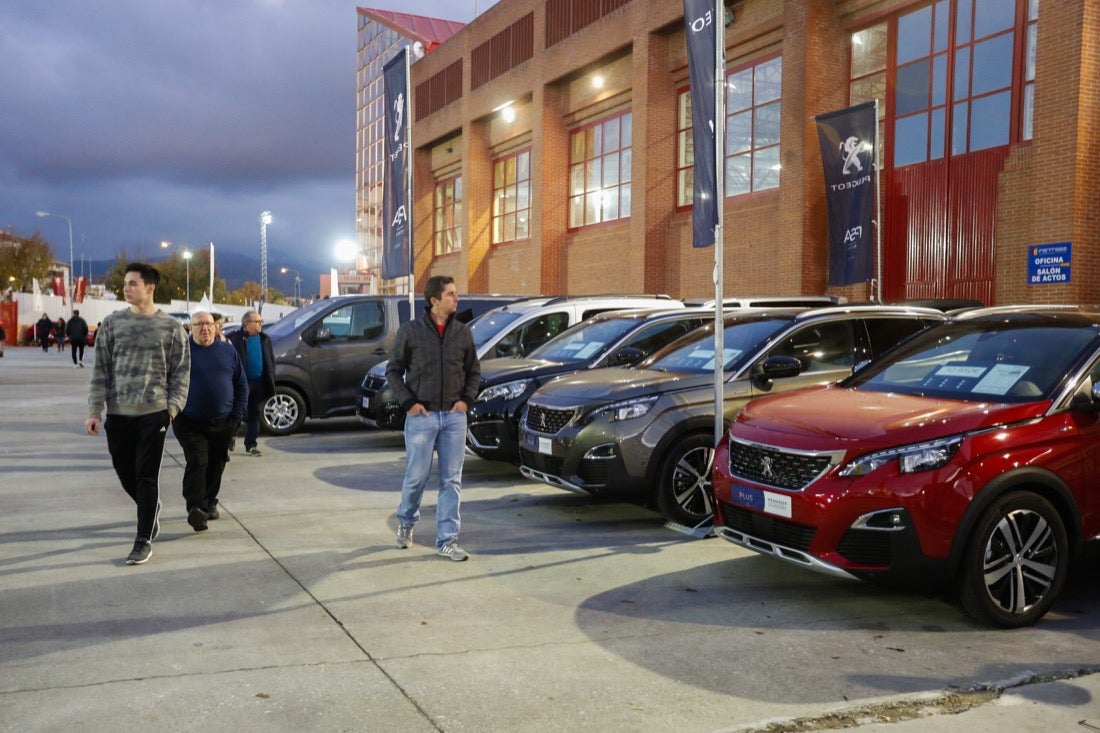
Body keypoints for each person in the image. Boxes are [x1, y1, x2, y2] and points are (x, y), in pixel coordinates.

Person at [86, 262, 190, 566]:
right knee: (124, 471)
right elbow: (100, 370)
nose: (126, 288)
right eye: (125, 283)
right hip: (118, 413)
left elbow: (182, 373)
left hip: (153, 413)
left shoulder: (171, 328)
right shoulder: (112, 324)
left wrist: (171, 409)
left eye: (132, 283)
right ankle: (151, 508)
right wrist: (95, 410)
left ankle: (143, 538)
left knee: (147, 475)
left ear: (150, 288)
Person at [386, 275, 480, 561]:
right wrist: (409, 403)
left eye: (455, 293)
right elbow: (393, 371)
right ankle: (406, 521)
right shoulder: (410, 332)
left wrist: (465, 401)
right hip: (422, 417)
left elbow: (474, 371)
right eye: (451, 294)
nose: (457, 298)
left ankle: (447, 540)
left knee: (451, 480)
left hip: (453, 418)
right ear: (434, 300)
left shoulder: (463, 333)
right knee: (416, 477)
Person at [173, 309, 247, 532]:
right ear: (190, 328)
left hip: (223, 421)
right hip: (189, 421)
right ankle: (196, 507)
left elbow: (241, 384)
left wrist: (237, 417)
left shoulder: (227, 351)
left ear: (216, 327)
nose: (204, 328)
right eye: (198, 324)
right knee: (198, 460)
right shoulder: (181, 353)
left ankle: (210, 501)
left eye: (208, 324)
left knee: (217, 463)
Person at [228, 310, 275, 456]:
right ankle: (230, 437)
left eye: (261, 321)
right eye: (257, 322)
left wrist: (271, 377)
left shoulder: (265, 339)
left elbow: (270, 360)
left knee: (256, 413)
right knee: (238, 412)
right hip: (242, 383)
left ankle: (251, 444)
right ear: (247, 324)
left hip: (259, 382)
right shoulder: (235, 338)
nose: (261, 324)